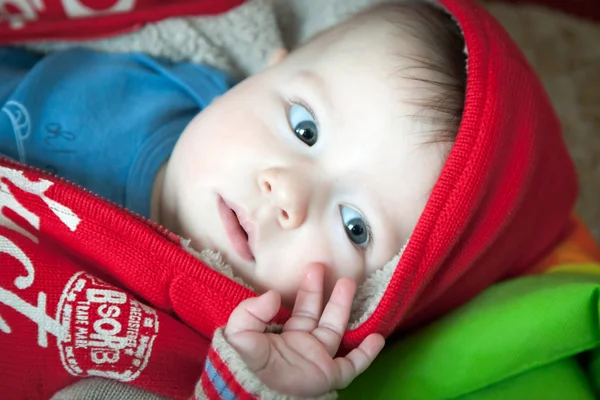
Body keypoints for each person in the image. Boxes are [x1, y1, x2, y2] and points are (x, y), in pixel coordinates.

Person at [0, 0, 581, 398]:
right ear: (264, 71)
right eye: (304, 129)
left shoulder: (221, 352)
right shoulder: (156, 75)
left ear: (371, 297)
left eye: (356, 227)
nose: (290, 195)